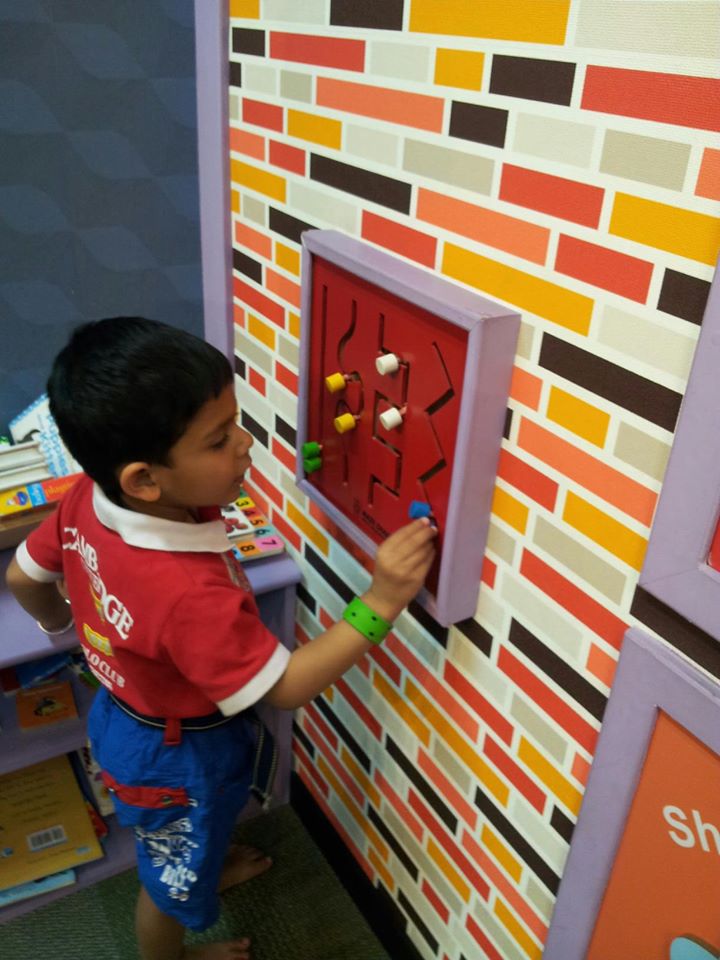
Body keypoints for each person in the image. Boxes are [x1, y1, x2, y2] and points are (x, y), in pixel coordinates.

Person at [5, 316, 437, 960]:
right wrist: (380, 602)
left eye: (234, 423)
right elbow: (286, 686)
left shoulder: (88, 498)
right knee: (167, 887)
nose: (245, 443)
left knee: (195, 838)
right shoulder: (186, 592)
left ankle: (206, 861)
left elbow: (23, 576)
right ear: (144, 479)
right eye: (218, 439)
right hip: (176, 755)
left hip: (129, 721)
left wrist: (60, 624)